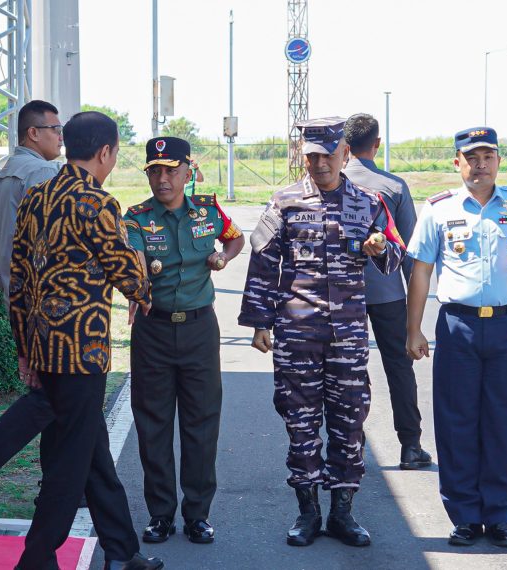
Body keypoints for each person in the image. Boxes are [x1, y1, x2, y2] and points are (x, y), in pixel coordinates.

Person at [239, 116, 403, 548]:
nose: (319, 164)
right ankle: (307, 513)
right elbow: (262, 262)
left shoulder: (368, 202)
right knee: (301, 421)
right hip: (297, 333)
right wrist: (259, 322)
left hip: (347, 335)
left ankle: (343, 514)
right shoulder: (285, 201)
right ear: (303, 157)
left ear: (345, 154)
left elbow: (394, 258)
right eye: (311, 156)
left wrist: (380, 247)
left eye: (327, 156)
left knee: (349, 421)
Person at [9, 111, 161, 570]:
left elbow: (18, 281)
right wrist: (142, 273)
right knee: (70, 465)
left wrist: (24, 346)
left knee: (92, 455)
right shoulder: (97, 203)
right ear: (105, 153)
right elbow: (126, 272)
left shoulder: (36, 197)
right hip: (81, 349)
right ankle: (35, 558)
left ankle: (123, 550)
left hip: (41, 344)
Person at [405, 126, 507, 549]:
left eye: (488, 156)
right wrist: (412, 329)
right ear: (458, 163)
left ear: (499, 161)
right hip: (458, 325)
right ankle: (465, 515)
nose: (481, 165)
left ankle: (500, 515)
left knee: (503, 422)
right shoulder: (438, 210)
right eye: (472, 157)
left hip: (506, 325)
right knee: (457, 422)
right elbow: (421, 271)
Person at [123, 136, 244, 545]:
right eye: (154, 171)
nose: (162, 179)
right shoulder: (137, 218)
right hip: (153, 329)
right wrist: (137, 288)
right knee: (153, 424)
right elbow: (135, 259)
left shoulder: (209, 211)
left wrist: (224, 257)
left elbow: (235, 236)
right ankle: (160, 514)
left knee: (201, 421)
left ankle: (198, 514)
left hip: (198, 329)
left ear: (188, 171)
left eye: (171, 170)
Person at [0, 100, 64, 519]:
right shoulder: (41, 173)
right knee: (52, 398)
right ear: (32, 133)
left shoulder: (10, 172)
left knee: (70, 404)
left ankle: (66, 488)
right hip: (46, 307)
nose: (61, 136)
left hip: (28, 302)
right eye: (55, 128)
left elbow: (2, 253)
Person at [340, 113, 430, 470]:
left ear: (344, 146)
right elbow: (409, 253)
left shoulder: (334, 183)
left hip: (343, 294)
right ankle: (410, 446)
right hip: (388, 292)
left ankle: (353, 446)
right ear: (377, 144)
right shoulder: (393, 186)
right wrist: (415, 323)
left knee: (348, 372)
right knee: (399, 368)